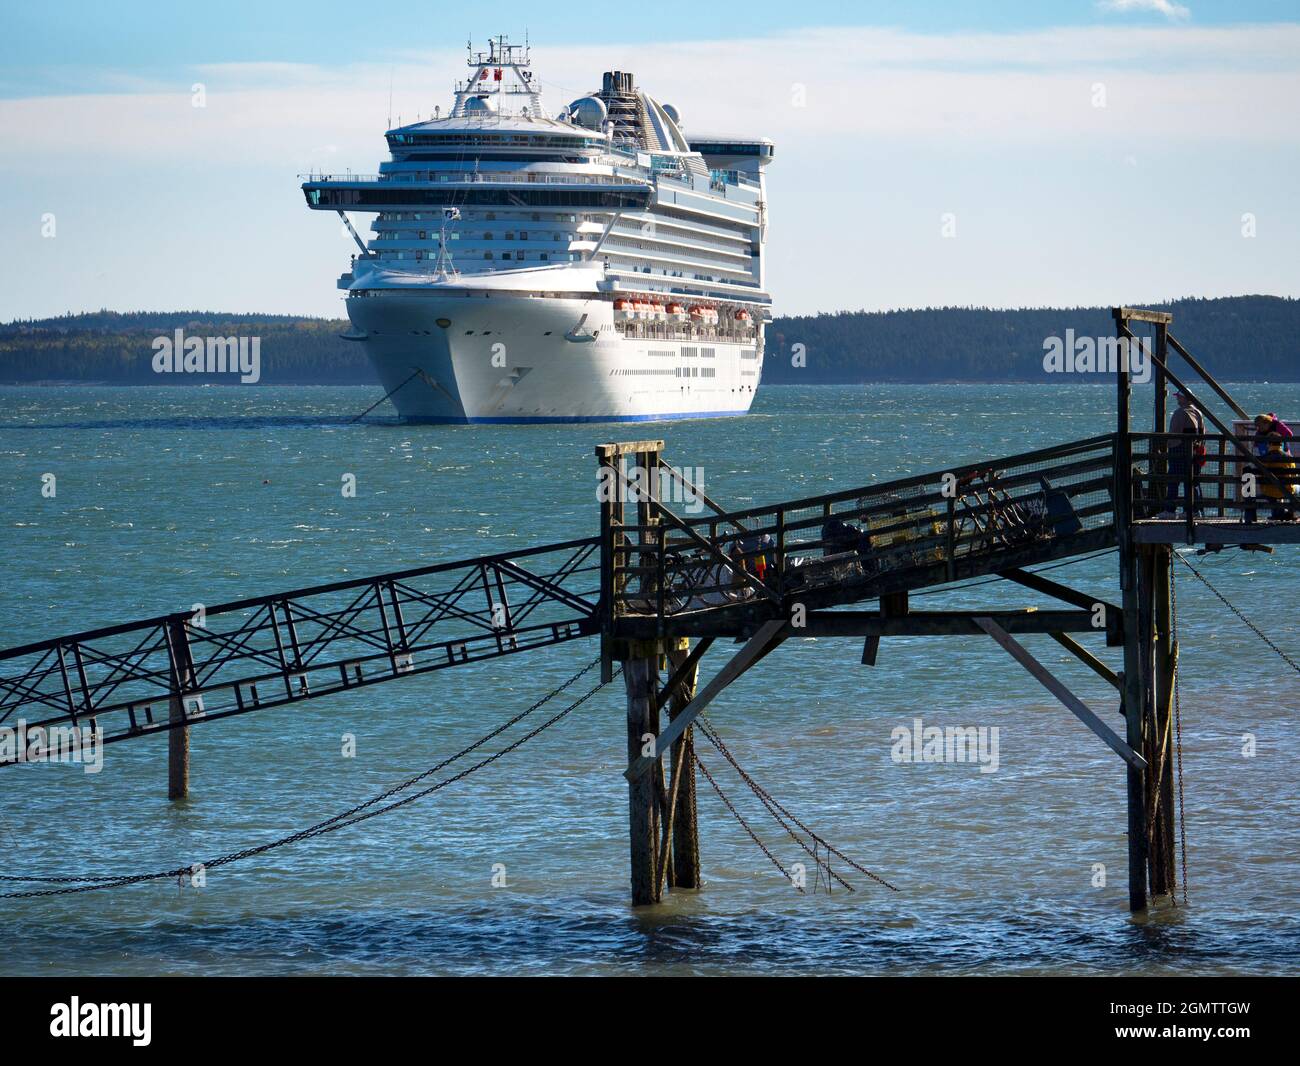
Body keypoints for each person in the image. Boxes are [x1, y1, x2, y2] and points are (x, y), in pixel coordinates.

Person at [1158, 390, 1204, 518]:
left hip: (1178, 450)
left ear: (1184, 398)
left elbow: (1174, 433)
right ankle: (1193, 510)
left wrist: (1169, 447)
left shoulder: (1180, 412)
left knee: (1173, 480)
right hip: (1194, 450)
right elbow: (1202, 433)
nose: (1177, 399)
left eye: (1179, 397)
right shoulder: (1198, 412)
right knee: (1192, 481)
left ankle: (1170, 511)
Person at [1248, 432, 1298, 523]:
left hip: (1268, 490)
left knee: (1272, 489)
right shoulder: (1289, 458)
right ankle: (1290, 513)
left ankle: (1277, 513)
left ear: (1268, 444)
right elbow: (1294, 476)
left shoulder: (1263, 458)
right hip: (1286, 490)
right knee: (1296, 488)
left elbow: (1259, 474)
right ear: (1281, 443)